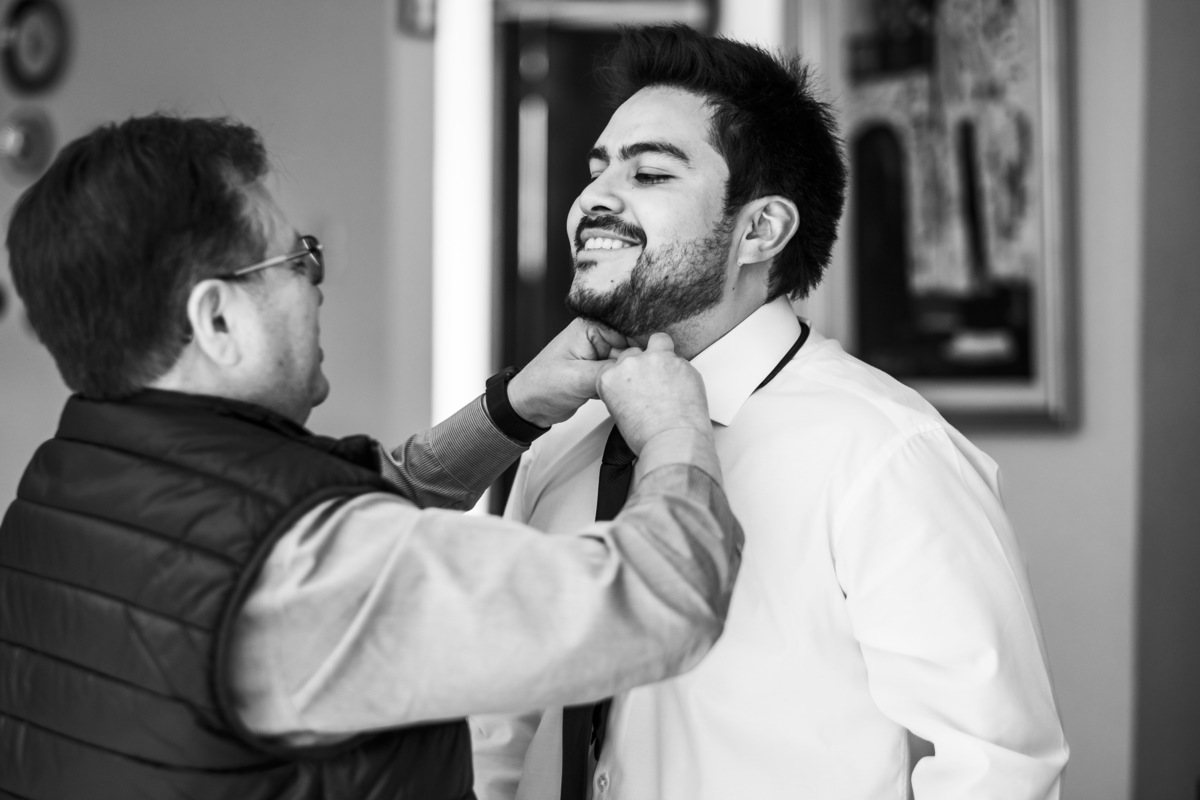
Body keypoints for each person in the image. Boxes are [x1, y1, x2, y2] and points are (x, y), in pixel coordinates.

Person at [0, 114, 745, 800]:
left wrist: (513, 407)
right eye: (298, 261)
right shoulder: (306, 573)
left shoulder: (60, 492)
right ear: (217, 317)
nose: (316, 287)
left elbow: (333, 522)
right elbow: (660, 600)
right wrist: (676, 430)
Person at [471, 25, 1069, 800]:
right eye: (597, 171)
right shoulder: (564, 444)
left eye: (648, 172)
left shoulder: (885, 454)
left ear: (760, 229)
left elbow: (998, 772)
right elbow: (496, 726)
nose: (592, 200)